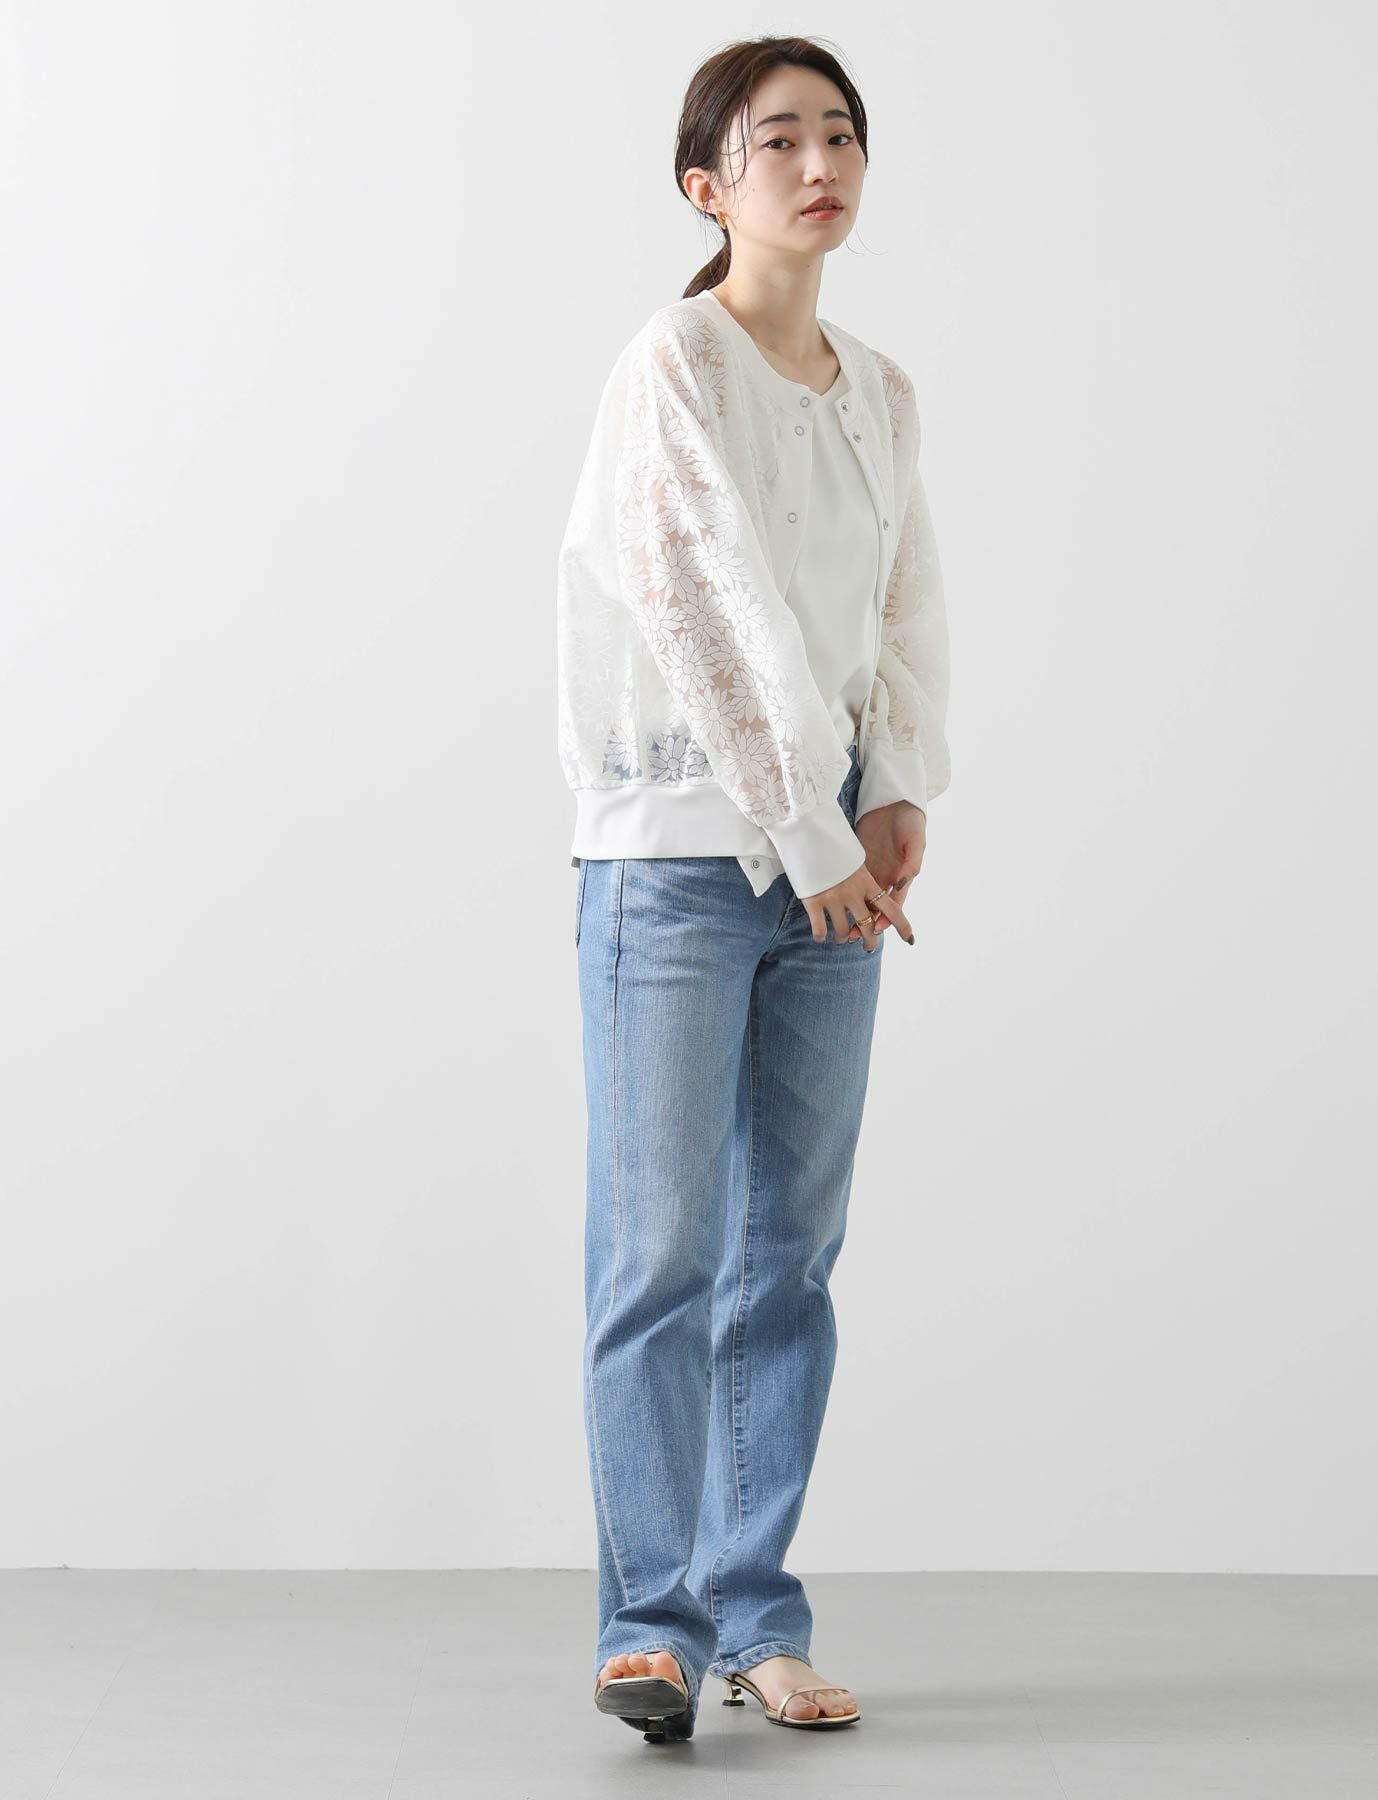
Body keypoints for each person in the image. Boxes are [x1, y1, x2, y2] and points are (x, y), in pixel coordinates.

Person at [555, 34, 952, 1745]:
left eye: (840, 134)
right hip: (677, 860)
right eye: (777, 138)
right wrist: (816, 836)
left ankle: (753, 1616)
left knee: (787, 1258)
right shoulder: (673, 364)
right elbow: (703, 608)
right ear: (706, 185)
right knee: (661, 1253)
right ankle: (649, 1624)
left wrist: (899, 784)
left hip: (836, 855)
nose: (818, 162)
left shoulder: (883, 390)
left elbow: (901, 601)